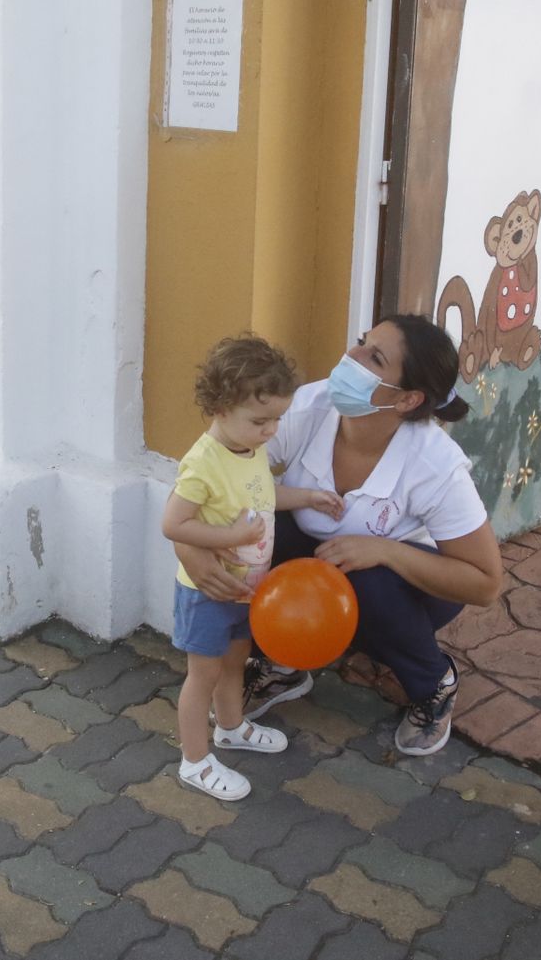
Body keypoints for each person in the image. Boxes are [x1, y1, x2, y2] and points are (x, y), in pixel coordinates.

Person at [174, 315, 502, 757]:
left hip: (410, 590)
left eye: (375, 357)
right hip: (321, 564)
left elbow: (484, 583)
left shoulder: (435, 464)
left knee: (368, 581)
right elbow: (208, 478)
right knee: (259, 528)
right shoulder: (309, 407)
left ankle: (433, 682)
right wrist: (190, 548)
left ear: (407, 399)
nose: (352, 355)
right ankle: (283, 663)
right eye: (362, 342)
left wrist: (384, 550)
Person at [160, 335, 341, 800]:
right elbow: (173, 524)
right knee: (203, 676)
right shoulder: (203, 463)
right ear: (221, 409)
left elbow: (262, 494)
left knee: (236, 663)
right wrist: (232, 538)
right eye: (261, 420)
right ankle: (194, 761)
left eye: (277, 419)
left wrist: (308, 496)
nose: (271, 430)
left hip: (247, 590)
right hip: (208, 593)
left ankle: (231, 727)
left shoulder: (250, 447)